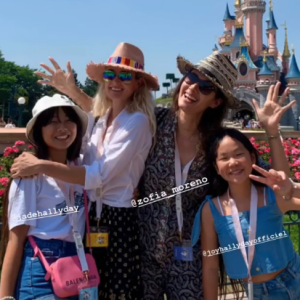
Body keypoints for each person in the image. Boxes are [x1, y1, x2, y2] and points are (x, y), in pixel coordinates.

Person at [136, 53, 294, 299]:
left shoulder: (220, 144)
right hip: (144, 250)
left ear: (216, 101)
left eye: (206, 87)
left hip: (190, 259)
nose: (192, 88)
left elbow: (278, 183)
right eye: (191, 78)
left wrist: (272, 132)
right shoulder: (152, 122)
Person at [10, 42, 158, 300]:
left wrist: (40, 165)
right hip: (90, 217)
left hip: (117, 219)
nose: (116, 81)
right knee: (88, 289)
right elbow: (81, 144)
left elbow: (98, 175)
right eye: (110, 75)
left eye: (125, 76)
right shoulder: (102, 121)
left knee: (117, 292)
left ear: (138, 84)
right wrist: (70, 90)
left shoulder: (137, 121)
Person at [194, 126, 300, 300]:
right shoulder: (211, 210)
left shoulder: (270, 195)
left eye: (238, 154)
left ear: (252, 157)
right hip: (257, 293)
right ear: (216, 166)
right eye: (224, 158)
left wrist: (292, 187)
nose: (233, 162)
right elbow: (211, 266)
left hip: (294, 277)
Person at [0, 94, 89, 300]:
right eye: (52, 122)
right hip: (41, 268)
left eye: (68, 120)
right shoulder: (30, 176)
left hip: (77, 265)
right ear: (40, 130)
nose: (62, 128)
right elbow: (16, 239)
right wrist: (5, 297)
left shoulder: (81, 167)